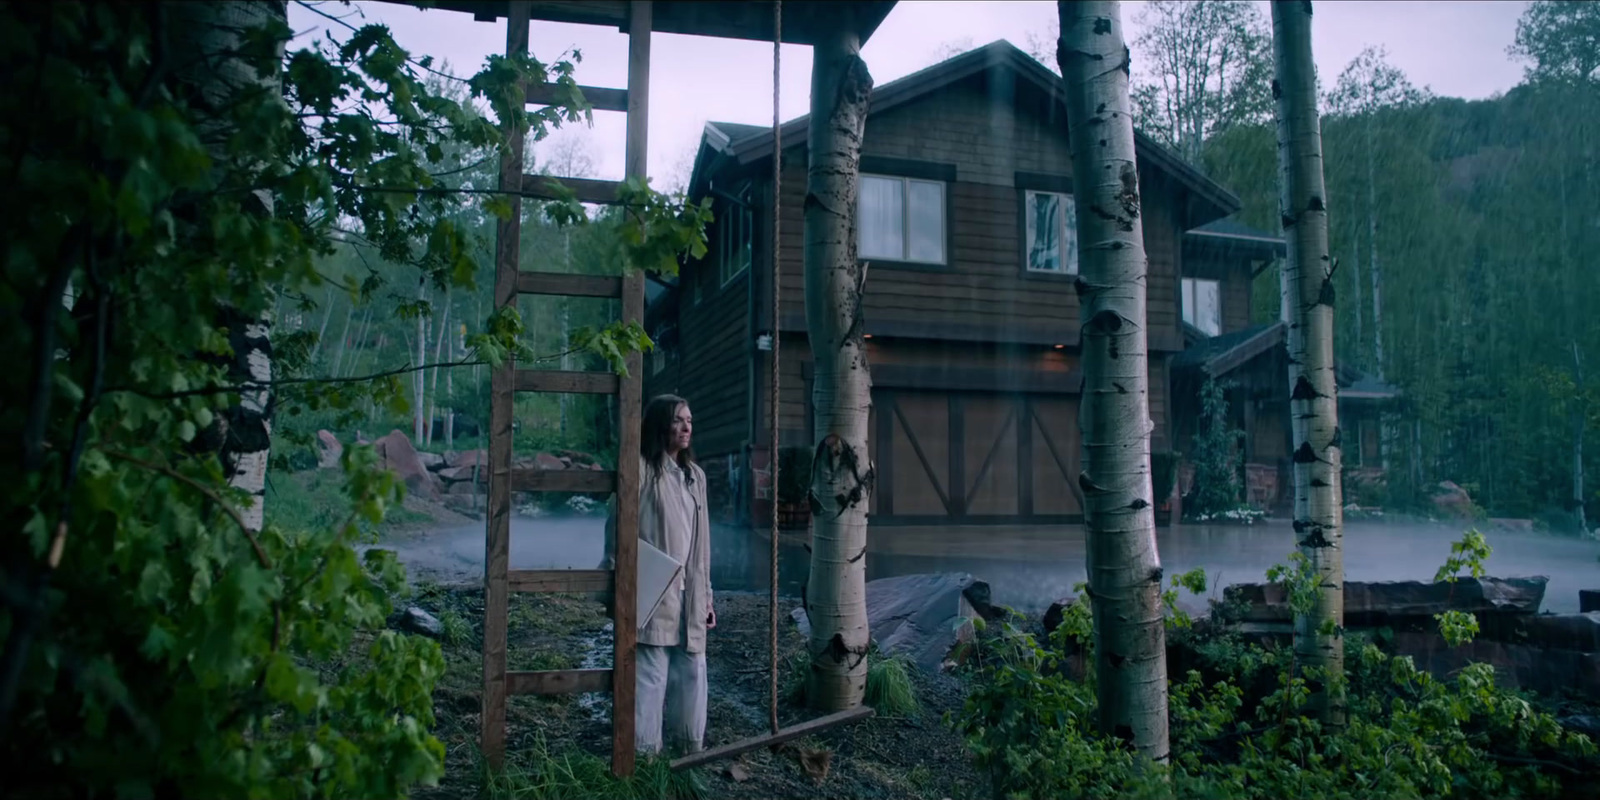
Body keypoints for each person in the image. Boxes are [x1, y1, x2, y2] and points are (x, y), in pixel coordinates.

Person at [601, 394, 714, 756]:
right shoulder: (643, 470)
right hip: (653, 588)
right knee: (651, 674)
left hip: (690, 591)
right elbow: (616, 526)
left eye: (690, 420)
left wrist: (707, 596)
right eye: (678, 420)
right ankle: (645, 759)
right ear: (660, 424)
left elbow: (702, 544)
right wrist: (618, 580)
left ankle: (688, 755)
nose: (686, 428)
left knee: (693, 671)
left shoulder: (696, 477)